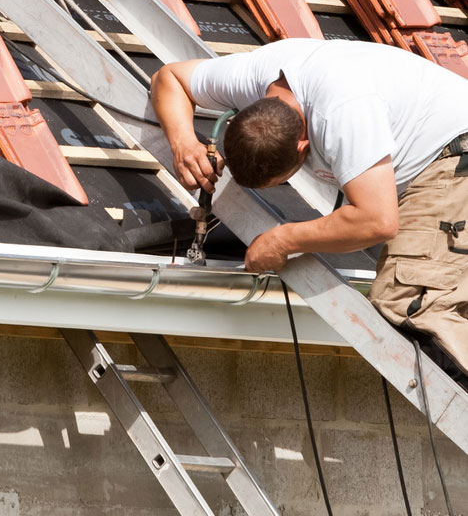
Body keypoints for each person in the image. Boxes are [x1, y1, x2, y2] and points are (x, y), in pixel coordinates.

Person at [150, 37, 468, 375]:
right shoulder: (250, 77)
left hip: (454, 154)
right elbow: (168, 78)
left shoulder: (342, 115)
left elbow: (377, 220)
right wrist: (184, 143)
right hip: (440, 154)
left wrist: (282, 240)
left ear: (303, 148)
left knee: (412, 305)